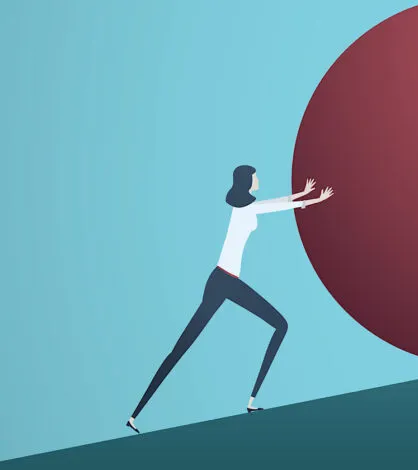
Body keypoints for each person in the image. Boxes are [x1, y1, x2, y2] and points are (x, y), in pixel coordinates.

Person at [126, 165, 334, 433]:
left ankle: (251, 400)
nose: (259, 179)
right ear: (247, 181)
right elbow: (282, 207)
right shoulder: (247, 208)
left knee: (280, 325)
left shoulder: (246, 206)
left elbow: (277, 202)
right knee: (182, 346)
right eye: (256, 176)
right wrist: (316, 199)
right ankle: (135, 415)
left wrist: (303, 192)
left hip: (227, 282)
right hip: (221, 282)